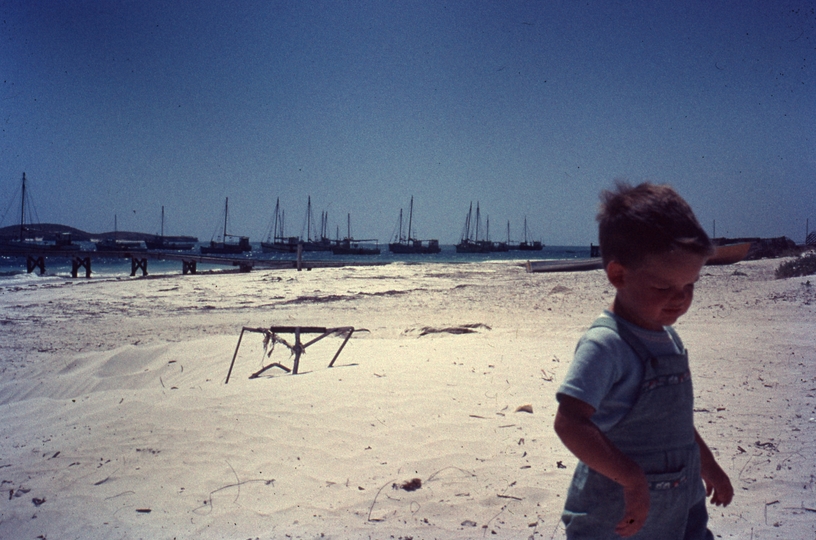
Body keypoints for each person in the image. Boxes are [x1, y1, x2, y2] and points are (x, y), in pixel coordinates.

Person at [554, 181, 734, 539]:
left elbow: (674, 419)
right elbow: (569, 422)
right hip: (620, 512)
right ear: (619, 275)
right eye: (664, 287)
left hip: (683, 503)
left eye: (691, 285)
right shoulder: (607, 344)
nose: (680, 299)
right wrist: (631, 478)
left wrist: (707, 462)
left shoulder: (667, 336)